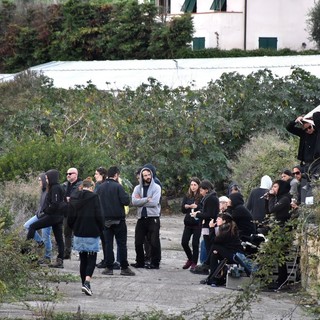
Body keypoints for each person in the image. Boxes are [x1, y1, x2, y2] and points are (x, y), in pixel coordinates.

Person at [68, 177, 104, 296]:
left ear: (82, 187)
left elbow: (70, 216)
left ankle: (83, 283)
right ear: (92, 187)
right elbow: (99, 214)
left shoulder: (74, 198)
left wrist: (73, 227)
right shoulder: (94, 197)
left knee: (83, 259)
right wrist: (101, 227)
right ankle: (87, 282)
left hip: (79, 231)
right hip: (92, 231)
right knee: (92, 257)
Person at [97, 166, 135, 276]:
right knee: (121, 244)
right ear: (116, 175)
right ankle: (124, 268)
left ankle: (109, 268)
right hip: (118, 220)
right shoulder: (118, 187)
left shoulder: (100, 187)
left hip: (105, 221)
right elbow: (126, 201)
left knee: (108, 244)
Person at [27, 169, 65, 268]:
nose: (46, 180)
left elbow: (55, 204)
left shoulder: (56, 188)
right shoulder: (54, 187)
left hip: (54, 216)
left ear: (52, 178)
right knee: (59, 239)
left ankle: (26, 251)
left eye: (47, 178)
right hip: (57, 217)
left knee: (32, 226)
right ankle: (60, 261)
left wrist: (46, 211)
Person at [200, 212, 243, 286]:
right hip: (227, 251)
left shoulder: (227, 230)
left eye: (219, 219)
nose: (216, 220)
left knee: (215, 247)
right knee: (214, 254)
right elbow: (212, 242)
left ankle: (206, 264)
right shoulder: (224, 228)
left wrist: (211, 228)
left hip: (234, 255)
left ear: (224, 221)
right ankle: (212, 279)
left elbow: (214, 241)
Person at [131, 167, 162, 269]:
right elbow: (134, 202)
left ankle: (155, 263)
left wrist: (141, 201)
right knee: (138, 241)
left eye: (149, 174)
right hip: (141, 218)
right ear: (141, 176)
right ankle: (140, 262)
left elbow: (154, 202)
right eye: (145, 175)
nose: (148, 177)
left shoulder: (156, 187)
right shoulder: (137, 188)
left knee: (154, 242)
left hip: (153, 218)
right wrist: (146, 200)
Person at [264, 179, 292, 289]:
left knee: (281, 255)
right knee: (277, 255)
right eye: (273, 187)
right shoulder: (278, 198)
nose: (273, 189)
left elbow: (272, 209)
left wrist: (271, 198)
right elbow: (267, 211)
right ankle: (279, 280)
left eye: (275, 187)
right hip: (277, 228)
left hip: (283, 229)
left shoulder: (285, 198)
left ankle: (282, 281)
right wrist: (267, 200)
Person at [23, 173, 52, 265]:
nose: (39, 182)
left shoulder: (49, 190)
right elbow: (42, 204)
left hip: (47, 216)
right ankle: (40, 242)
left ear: (44, 180)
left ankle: (47, 258)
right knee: (27, 225)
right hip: (40, 215)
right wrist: (38, 211)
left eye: (40, 180)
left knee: (46, 236)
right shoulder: (43, 190)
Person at [181, 177, 202, 271]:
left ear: (198, 186)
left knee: (195, 244)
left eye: (195, 185)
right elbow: (182, 209)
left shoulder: (201, 196)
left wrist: (197, 207)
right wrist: (187, 206)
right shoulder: (187, 195)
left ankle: (194, 262)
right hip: (188, 223)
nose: (193, 187)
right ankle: (190, 258)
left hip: (197, 223)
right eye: (191, 185)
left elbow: (203, 208)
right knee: (184, 242)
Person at [61, 167, 82, 259]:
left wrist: (71, 199)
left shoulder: (81, 185)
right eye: (67, 174)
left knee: (79, 234)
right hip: (67, 213)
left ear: (76, 174)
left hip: (78, 214)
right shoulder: (64, 185)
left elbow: (83, 198)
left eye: (70, 174)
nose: (68, 175)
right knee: (67, 234)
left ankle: (82, 254)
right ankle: (67, 253)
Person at [93, 167, 109, 269]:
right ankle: (106, 259)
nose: (95, 176)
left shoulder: (100, 186)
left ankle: (107, 260)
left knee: (105, 240)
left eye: (96, 174)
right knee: (104, 240)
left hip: (103, 216)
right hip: (103, 215)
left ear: (102, 175)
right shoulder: (104, 185)